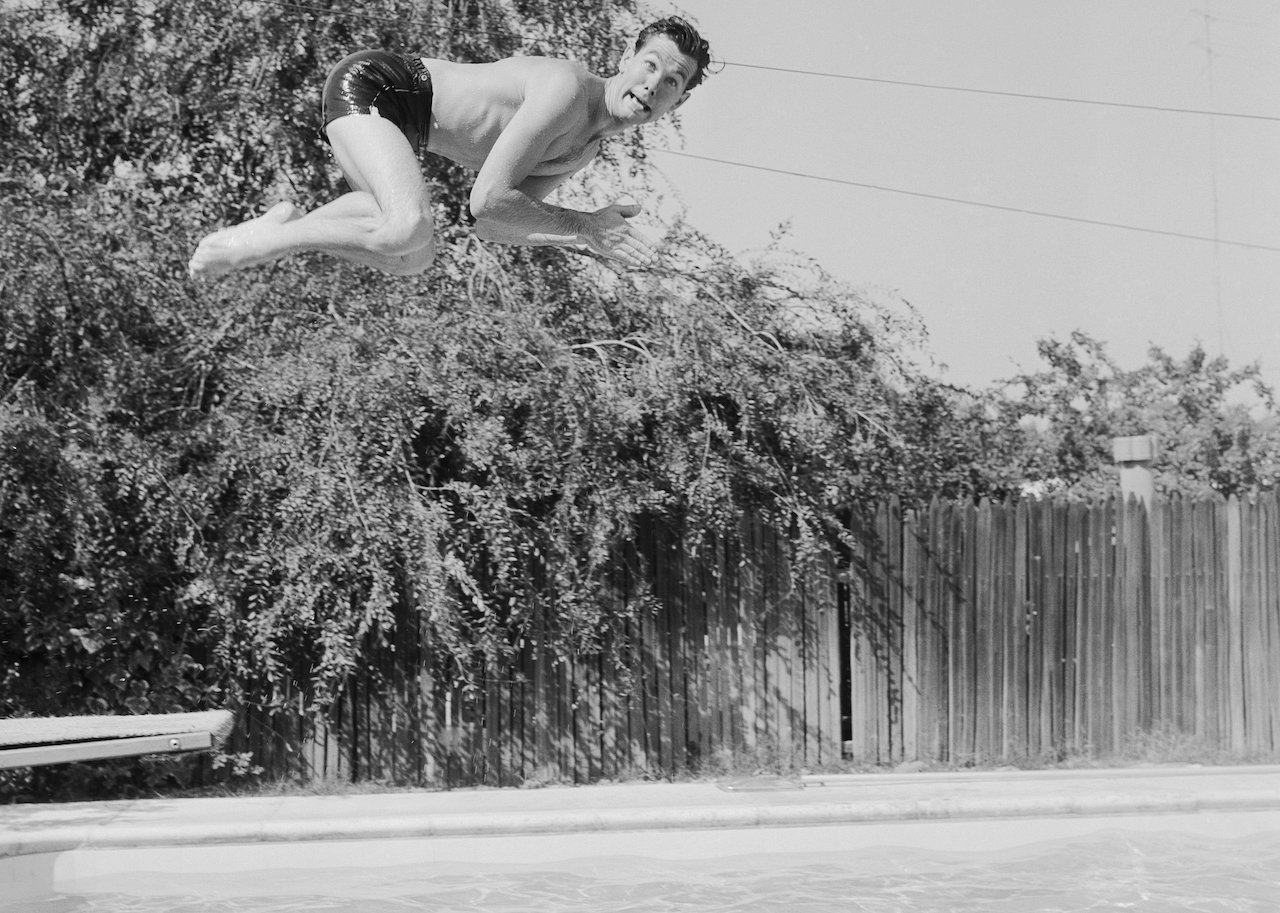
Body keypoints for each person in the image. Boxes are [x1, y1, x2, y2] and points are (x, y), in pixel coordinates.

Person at [188, 17, 711, 278]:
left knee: (411, 258)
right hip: (380, 84)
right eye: (650, 64)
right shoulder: (568, 89)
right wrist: (579, 223)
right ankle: (272, 240)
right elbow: (488, 198)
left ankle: (283, 227)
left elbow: (493, 226)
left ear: (677, 103)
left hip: (401, 125)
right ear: (626, 58)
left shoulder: (584, 150)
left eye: (671, 80)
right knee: (409, 225)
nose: (652, 83)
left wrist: (583, 238)